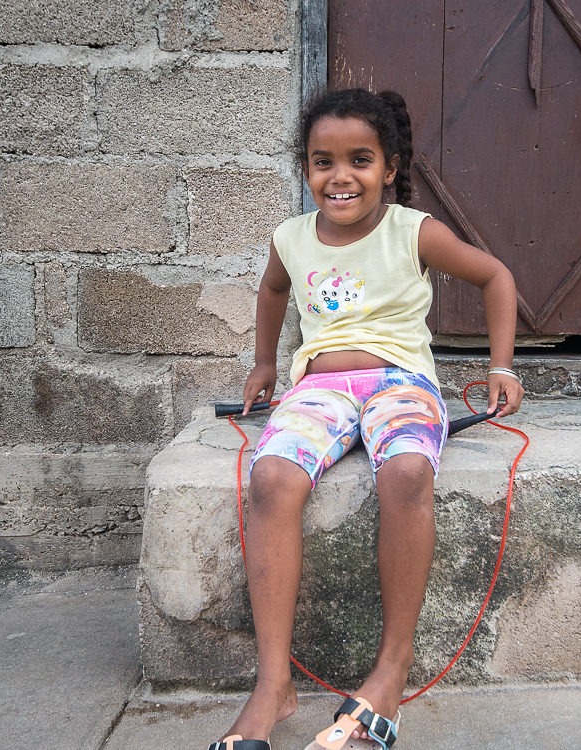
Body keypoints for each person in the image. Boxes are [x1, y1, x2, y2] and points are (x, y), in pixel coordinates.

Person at [207, 88, 524, 750]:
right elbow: (272, 291)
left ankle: (390, 670)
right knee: (271, 479)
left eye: (360, 160)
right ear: (306, 169)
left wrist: (502, 367)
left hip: (399, 381)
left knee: (406, 471)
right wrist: (266, 363)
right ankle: (272, 686)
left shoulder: (413, 230)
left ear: (389, 166)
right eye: (323, 161)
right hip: (320, 386)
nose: (341, 176)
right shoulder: (291, 238)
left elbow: (495, 277)